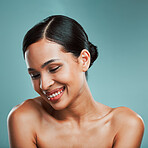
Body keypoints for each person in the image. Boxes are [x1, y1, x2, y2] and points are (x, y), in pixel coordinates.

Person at [7, 15, 144, 148]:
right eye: (35, 75)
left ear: (84, 60)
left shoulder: (125, 125)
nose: (44, 84)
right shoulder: (24, 118)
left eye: (54, 68)